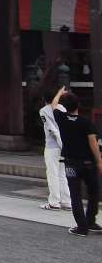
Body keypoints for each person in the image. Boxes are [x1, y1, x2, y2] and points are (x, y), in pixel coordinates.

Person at [50, 86, 102, 237]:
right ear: (78, 105)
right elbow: (93, 143)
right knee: (93, 192)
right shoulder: (86, 123)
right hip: (88, 163)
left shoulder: (61, 119)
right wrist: (99, 161)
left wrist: (59, 92)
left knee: (75, 195)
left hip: (71, 163)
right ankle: (91, 221)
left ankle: (82, 227)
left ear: (64, 107)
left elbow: (54, 105)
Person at [38, 89, 71, 211]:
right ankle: (66, 201)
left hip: (52, 147)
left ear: (44, 99)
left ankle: (54, 202)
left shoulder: (43, 111)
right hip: (65, 146)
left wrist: (60, 142)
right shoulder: (62, 108)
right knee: (63, 174)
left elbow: (51, 129)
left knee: (52, 174)